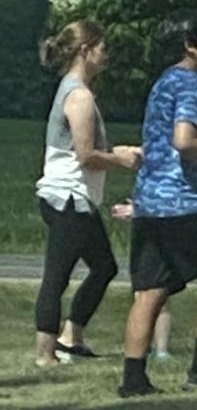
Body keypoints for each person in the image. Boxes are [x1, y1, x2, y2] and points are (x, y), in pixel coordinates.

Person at [118, 14, 197, 398]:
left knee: (151, 289)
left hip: (148, 200)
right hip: (182, 200)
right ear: (191, 45)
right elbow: (185, 141)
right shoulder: (192, 84)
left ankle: (134, 379)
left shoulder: (162, 82)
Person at [34, 21, 142, 368]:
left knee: (104, 267)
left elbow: (90, 150)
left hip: (78, 198)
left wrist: (118, 151)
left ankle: (72, 336)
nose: (105, 55)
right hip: (68, 197)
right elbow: (86, 156)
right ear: (86, 50)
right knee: (57, 276)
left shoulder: (74, 89)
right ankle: (45, 354)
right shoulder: (79, 96)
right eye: (102, 48)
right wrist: (121, 161)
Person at [112, 201, 173, 359]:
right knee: (141, 295)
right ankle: (143, 346)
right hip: (144, 236)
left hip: (159, 236)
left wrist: (138, 209)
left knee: (157, 294)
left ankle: (161, 349)